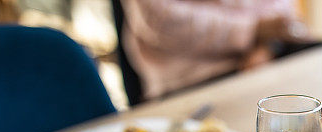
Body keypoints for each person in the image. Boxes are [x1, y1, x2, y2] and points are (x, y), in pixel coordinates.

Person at [120, 0, 303, 100]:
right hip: (194, 82)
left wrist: (266, 45)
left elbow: (282, 8)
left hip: (270, 57)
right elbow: (160, 21)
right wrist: (251, 30)